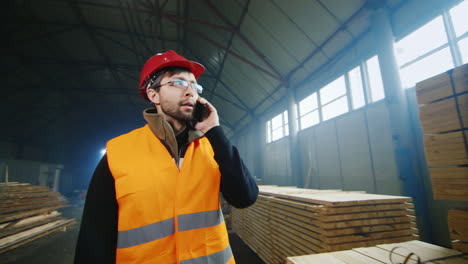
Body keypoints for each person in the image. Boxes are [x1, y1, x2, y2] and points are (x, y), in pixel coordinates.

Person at [74, 50, 259, 264]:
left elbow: (245, 197)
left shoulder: (212, 146)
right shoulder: (119, 152)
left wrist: (215, 131)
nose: (190, 91)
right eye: (178, 83)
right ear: (154, 95)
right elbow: (94, 238)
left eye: (194, 85)